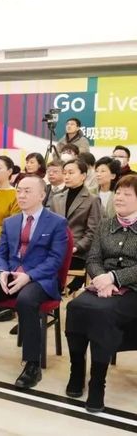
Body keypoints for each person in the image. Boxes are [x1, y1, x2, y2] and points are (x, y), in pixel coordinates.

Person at [0, 175, 69, 389]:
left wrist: (29, 276)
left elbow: (55, 260)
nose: (21, 195)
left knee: (26, 300)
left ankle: (32, 364)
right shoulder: (11, 222)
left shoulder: (56, 222)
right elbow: (1, 252)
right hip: (9, 275)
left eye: (27, 191)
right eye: (19, 191)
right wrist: (0, 272)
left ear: (42, 195)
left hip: (39, 279)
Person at [65, 174, 137, 413]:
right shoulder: (106, 224)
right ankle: (77, 371)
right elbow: (93, 259)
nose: (120, 198)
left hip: (133, 290)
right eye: (118, 193)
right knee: (75, 307)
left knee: (103, 314)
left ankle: (97, 383)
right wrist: (101, 279)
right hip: (102, 285)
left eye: (127, 194)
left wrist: (114, 278)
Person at [48, 158, 101, 292]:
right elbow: (50, 226)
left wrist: (76, 247)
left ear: (83, 176)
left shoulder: (92, 199)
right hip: (56, 248)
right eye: (65, 173)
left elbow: (93, 231)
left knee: (52, 268)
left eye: (71, 173)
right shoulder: (57, 198)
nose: (66, 176)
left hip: (77, 252)